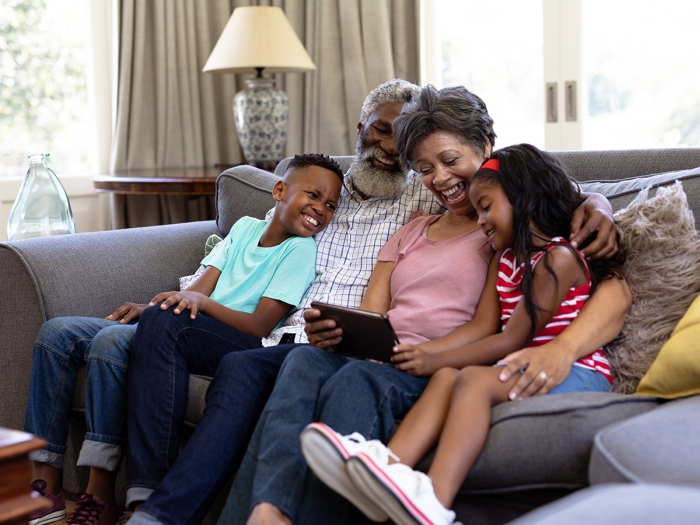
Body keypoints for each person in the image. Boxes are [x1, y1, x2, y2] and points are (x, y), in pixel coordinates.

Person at [124, 80, 617, 525]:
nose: (440, 179)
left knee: (350, 381)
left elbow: (560, 204)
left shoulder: (504, 229)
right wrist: (339, 331)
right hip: (381, 347)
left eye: (450, 161)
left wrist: (599, 203)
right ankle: (263, 514)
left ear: (487, 150)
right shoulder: (416, 221)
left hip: (427, 359)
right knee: (297, 366)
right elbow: (373, 311)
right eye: (424, 169)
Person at [301, 144, 626, 525]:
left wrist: (431, 356)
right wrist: (431, 361)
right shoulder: (503, 259)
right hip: (517, 364)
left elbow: (512, 339)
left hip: (577, 372)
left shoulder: (558, 259)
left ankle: (435, 501)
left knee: (470, 378)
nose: (482, 221)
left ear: (523, 197)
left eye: (487, 207)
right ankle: (386, 471)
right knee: (445, 378)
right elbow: (483, 326)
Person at [24, 153, 343, 525]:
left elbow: (258, 325)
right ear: (279, 190)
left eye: (331, 205)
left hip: (230, 336)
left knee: (113, 342)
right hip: (187, 321)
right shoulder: (244, 229)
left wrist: (197, 304)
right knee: (57, 332)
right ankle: (43, 485)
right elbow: (201, 285)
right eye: (314, 195)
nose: (320, 208)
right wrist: (160, 305)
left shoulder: (300, 250)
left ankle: (106, 494)